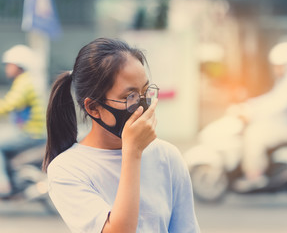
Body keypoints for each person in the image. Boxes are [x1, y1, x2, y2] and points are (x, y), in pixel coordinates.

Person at [44, 38, 200, 233]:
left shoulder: (167, 156)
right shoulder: (67, 169)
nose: (143, 103)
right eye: (130, 97)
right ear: (93, 108)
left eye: (145, 91)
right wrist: (132, 152)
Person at [229, 41, 287, 191]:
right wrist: (249, 104)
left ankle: (254, 176)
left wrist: (252, 113)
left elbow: (277, 105)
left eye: (279, 65)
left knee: (253, 134)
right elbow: (271, 99)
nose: (276, 69)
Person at [0, 45, 46, 196]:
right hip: (31, 131)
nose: (7, 67)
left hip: (31, 133)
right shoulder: (26, 81)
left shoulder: (24, 83)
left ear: (19, 66)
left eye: (9, 64)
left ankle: (3, 183)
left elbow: (9, 104)